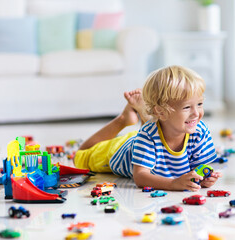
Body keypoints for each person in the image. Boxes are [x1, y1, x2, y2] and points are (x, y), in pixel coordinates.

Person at [74, 65, 222, 191]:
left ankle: (144, 116)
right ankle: (123, 119)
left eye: (200, 104)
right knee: (80, 156)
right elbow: (140, 177)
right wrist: (172, 183)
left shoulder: (199, 130)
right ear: (161, 111)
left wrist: (203, 179)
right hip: (121, 150)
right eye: (187, 107)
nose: (196, 113)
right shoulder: (148, 136)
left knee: (150, 133)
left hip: (149, 140)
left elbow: (197, 170)